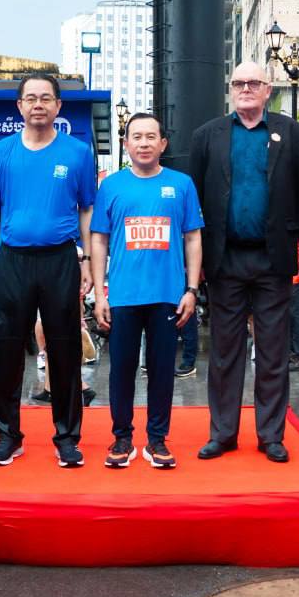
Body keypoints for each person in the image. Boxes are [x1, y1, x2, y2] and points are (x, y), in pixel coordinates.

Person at [188, 62, 299, 464]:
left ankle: (271, 435)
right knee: (224, 352)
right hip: (224, 258)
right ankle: (223, 433)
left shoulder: (291, 133)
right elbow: (195, 204)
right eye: (239, 83)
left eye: (253, 83)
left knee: (274, 351)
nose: (245, 88)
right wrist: (195, 261)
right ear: (230, 88)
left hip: (273, 257)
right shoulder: (207, 135)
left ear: (267, 89)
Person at [0, 74, 96, 467]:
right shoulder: (1, 152)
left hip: (60, 259)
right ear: (20, 106)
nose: (38, 105)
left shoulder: (77, 152)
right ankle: (7, 436)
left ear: (58, 106)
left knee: (65, 348)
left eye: (46, 98)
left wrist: (87, 261)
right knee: (8, 348)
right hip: (13, 259)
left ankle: (67, 437)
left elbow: (87, 209)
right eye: (30, 98)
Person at [90, 113, 203, 470]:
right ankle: (122, 437)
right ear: (126, 144)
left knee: (162, 370)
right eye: (136, 136)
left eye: (150, 136)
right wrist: (100, 295)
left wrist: (191, 289)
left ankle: (157, 439)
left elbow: (193, 237)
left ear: (163, 143)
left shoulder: (181, 184)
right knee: (121, 370)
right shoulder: (111, 186)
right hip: (123, 296)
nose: (143, 143)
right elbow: (99, 239)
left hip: (168, 295)